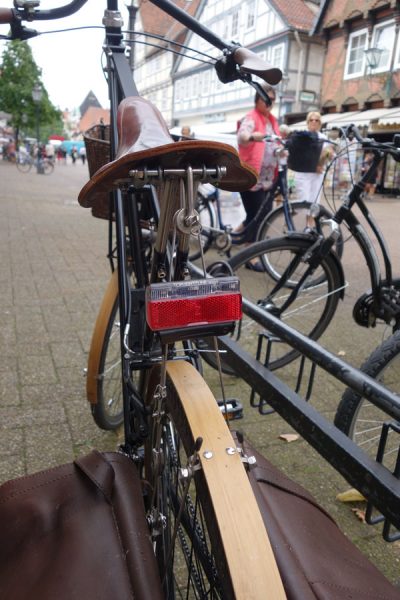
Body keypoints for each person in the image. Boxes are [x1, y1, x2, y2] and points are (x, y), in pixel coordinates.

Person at [236, 84, 280, 245]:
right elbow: (242, 135)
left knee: (258, 215)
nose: (269, 102)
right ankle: (252, 252)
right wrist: (251, 137)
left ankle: (230, 238)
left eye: (272, 99)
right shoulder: (251, 117)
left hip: (267, 179)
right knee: (257, 217)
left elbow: (276, 143)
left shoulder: (273, 121)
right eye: (265, 98)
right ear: (257, 100)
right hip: (251, 177)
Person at [288, 111, 334, 228]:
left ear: (320, 123)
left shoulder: (323, 138)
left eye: (317, 120)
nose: (314, 122)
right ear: (307, 122)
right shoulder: (302, 136)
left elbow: (329, 153)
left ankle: (309, 227)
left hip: (317, 175)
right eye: (311, 120)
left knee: (314, 201)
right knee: (303, 201)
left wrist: (324, 158)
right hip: (302, 174)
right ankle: (291, 216)